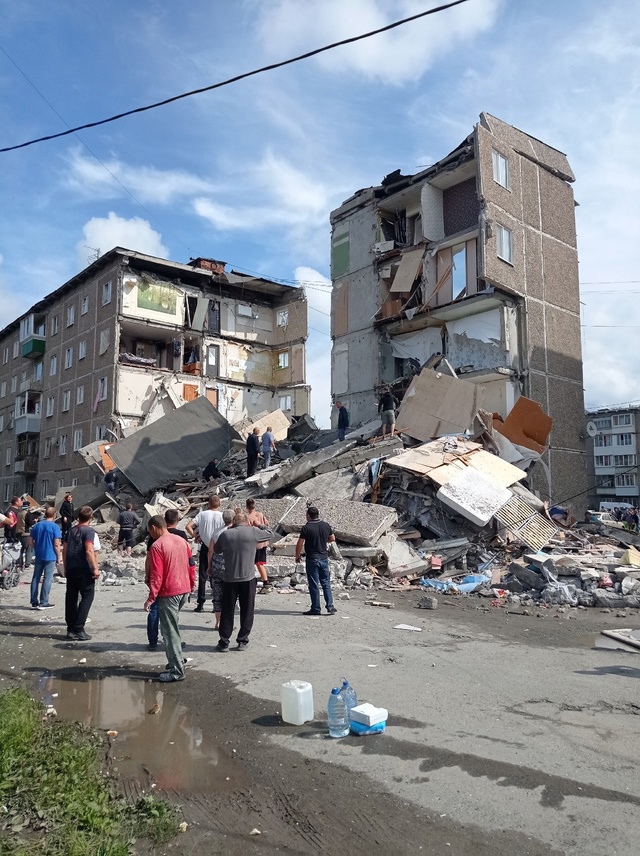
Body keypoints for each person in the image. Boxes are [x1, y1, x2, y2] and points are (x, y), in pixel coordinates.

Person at [144, 515, 196, 682]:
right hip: (184, 589)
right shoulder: (181, 541)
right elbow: (191, 565)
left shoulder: (157, 546)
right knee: (172, 627)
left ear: (153, 528)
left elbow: (156, 575)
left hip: (169, 592)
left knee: (169, 631)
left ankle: (177, 671)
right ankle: (175, 661)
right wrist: (192, 584)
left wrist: (151, 597)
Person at [214, 512, 273, 652]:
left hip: (229, 578)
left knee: (227, 610)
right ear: (247, 522)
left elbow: (217, 550)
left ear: (233, 521)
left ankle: (224, 641)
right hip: (248, 578)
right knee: (247, 610)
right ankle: (242, 640)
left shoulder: (226, 534)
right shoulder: (252, 532)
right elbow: (271, 533)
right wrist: (259, 525)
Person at [62, 506, 99, 641]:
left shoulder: (70, 531)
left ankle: (71, 628)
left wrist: (65, 567)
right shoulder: (89, 531)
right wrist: (95, 568)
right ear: (91, 518)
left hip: (71, 568)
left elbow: (64, 550)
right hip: (84, 569)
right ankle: (78, 628)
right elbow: (89, 550)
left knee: (71, 598)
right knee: (87, 597)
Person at [186, 495, 226, 612]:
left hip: (205, 545)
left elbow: (188, 526)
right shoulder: (222, 516)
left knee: (203, 575)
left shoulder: (202, 515)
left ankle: (200, 603)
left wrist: (196, 536)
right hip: (218, 547)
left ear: (208, 504)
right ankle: (216, 604)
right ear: (219, 504)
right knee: (217, 576)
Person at [295, 506, 337, 616]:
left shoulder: (306, 527)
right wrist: (324, 541)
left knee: (314, 584)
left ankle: (316, 608)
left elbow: (300, 543)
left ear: (308, 515)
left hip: (312, 558)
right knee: (325, 583)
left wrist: (297, 556)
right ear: (318, 514)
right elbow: (332, 538)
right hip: (323, 558)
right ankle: (330, 606)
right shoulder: (326, 525)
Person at [29, 506, 62, 610]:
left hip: (39, 554)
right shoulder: (55, 527)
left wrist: (37, 547)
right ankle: (44, 602)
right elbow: (56, 544)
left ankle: (34, 602)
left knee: (35, 578)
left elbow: (30, 542)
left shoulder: (37, 526)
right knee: (47, 578)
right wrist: (59, 557)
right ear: (54, 515)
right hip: (50, 555)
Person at [207, 508, 235, 631]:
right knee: (229, 597)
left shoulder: (216, 531)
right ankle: (228, 623)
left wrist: (209, 566)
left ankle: (218, 622)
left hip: (216, 566)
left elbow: (210, 550)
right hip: (229, 568)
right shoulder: (233, 532)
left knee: (217, 595)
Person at [245, 497, 272, 593]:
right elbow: (267, 524)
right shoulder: (260, 514)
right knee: (260, 563)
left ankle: (263, 583)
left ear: (247, 507)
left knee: (255, 564)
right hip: (264, 542)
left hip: (255, 544)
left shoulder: (248, 517)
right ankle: (265, 583)